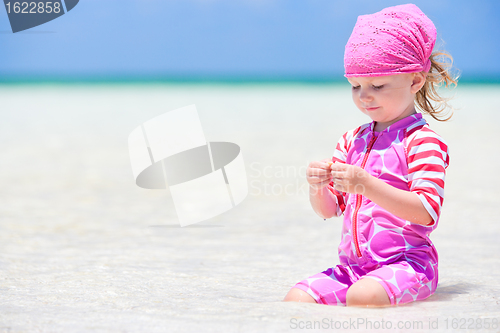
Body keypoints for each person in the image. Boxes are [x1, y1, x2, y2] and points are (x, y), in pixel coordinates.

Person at [283, 3, 458, 307]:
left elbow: (426, 212)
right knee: (297, 300)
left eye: (377, 85)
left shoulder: (422, 142)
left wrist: (365, 184)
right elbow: (328, 211)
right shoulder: (352, 141)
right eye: (355, 86)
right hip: (353, 268)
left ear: (415, 81)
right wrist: (317, 185)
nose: (364, 96)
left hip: (408, 265)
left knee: (363, 297)